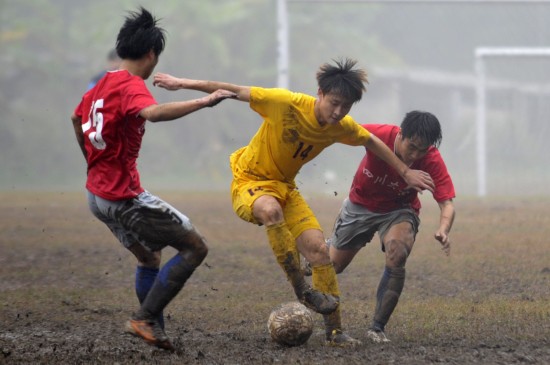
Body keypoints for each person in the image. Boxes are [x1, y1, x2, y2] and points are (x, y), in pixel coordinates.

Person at [153, 59, 435, 347]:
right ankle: (302, 290)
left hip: (286, 189)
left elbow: (372, 141)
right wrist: (181, 83)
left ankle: (335, 332)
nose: (338, 112)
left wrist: (405, 172)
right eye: (334, 103)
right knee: (271, 210)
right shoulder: (284, 102)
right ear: (320, 93)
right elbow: (232, 89)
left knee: (320, 253)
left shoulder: (341, 126)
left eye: (346, 107)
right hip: (250, 181)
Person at [70, 7, 236, 351]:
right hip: (121, 196)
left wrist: (92, 161)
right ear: (150, 54)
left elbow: (76, 118)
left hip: (95, 196)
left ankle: (153, 329)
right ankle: (145, 319)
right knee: (195, 247)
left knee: (149, 258)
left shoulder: (101, 83)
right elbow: (154, 113)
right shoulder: (129, 85)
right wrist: (205, 101)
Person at [323, 110, 455, 343]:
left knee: (398, 251)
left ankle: (377, 328)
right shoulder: (379, 133)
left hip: (399, 210)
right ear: (401, 134)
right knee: (333, 265)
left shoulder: (431, 159)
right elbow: (339, 129)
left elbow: (447, 204)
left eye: (422, 150)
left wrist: (443, 229)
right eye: (411, 147)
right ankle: (324, 248)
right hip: (360, 205)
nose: (415, 155)